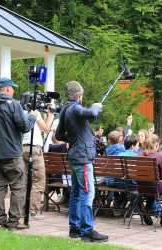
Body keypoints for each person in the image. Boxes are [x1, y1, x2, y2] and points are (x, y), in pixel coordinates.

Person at [0, 77, 38, 230]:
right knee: (18, 187)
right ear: (6, 89)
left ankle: (0, 221)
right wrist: (32, 117)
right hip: (12, 154)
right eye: (12, 88)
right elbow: (24, 126)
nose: (13, 91)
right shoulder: (14, 104)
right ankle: (13, 222)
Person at [56, 80, 108, 243]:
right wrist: (97, 106)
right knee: (88, 193)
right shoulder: (76, 107)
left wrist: (74, 139)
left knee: (77, 194)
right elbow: (92, 114)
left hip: (75, 156)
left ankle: (75, 229)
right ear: (79, 95)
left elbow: (59, 135)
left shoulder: (65, 110)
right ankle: (87, 231)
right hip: (82, 159)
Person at [22, 106, 54, 220]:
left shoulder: (21, 112)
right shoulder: (34, 113)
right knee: (39, 180)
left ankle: (21, 210)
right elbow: (45, 129)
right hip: (35, 149)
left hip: (22, 148)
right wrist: (50, 115)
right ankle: (32, 211)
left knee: (23, 181)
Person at [142, 134, 162, 227]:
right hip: (156, 187)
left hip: (141, 187)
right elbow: (161, 175)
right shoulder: (159, 156)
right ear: (156, 145)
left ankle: (147, 211)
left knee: (152, 186)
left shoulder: (139, 155)